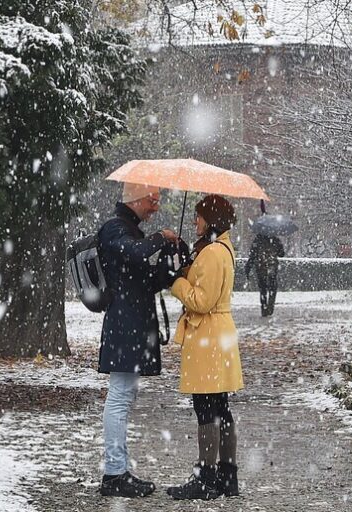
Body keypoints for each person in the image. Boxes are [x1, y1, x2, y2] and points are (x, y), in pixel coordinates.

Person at [96, 182, 178, 498]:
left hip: (131, 324)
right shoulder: (115, 229)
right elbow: (132, 253)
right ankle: (114, 474)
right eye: (153, 200)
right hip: (123, 324)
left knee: (124, 395)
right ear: (138, 200)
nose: (156, 207)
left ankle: (119, 471)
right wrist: (161, 239)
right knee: (119, 396)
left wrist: (171, 257)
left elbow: (149, 281)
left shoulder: (130, 231)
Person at [167, 194, 243, 500]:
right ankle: (226, 475)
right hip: (217, 335)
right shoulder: (221, 248)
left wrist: (178, 282)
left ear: (210, 219)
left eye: (199, 216)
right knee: (220, 407)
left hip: (208, 336)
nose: (195, 221)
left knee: (206, 408)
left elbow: (202, 301)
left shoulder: (212, 252)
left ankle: (206, 478)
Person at [245, 233, 285, 316]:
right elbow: (282, 254)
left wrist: (248, 267)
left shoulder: (258, 239)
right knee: (273, 288)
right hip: (272, 267)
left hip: (261, 267)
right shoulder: (275, 239)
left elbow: (252, 255)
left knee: (263, 289)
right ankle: (270, 306)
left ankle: (264, 308)